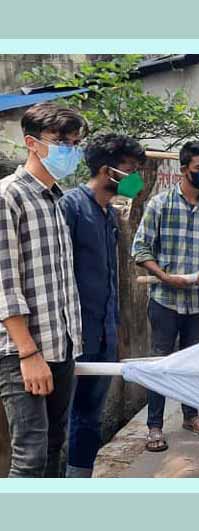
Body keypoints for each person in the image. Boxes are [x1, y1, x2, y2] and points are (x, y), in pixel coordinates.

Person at [0, 103, 85, 477]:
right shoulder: (9, 196)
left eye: (76, 143)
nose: (71, 150)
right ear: (31, 143)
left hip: (60, 344)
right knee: (30, 456)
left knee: (54, 447)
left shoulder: (56, 200)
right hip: (23, 351)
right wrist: (28, 352)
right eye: (62, 142)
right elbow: (4, 283)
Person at [59, 133, 146, 477]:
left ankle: (80, 482)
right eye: (131, 169)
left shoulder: (109, 215)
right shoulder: (70, 207)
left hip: (103, 334)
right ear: (108, 171)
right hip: (72, 336)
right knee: (59, 422)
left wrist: (117, 331)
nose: (136, 178)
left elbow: (111, 279)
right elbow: (57, 273)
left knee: (90, 417)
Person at [132, 140, 199, 452]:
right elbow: (140, 249)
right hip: (165, 300)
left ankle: (191, 416)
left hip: (197, 302)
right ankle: (154, 426)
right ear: (184, 169)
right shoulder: (160, 204)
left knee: (191, 361)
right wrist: (163, 276)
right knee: (160, 362)